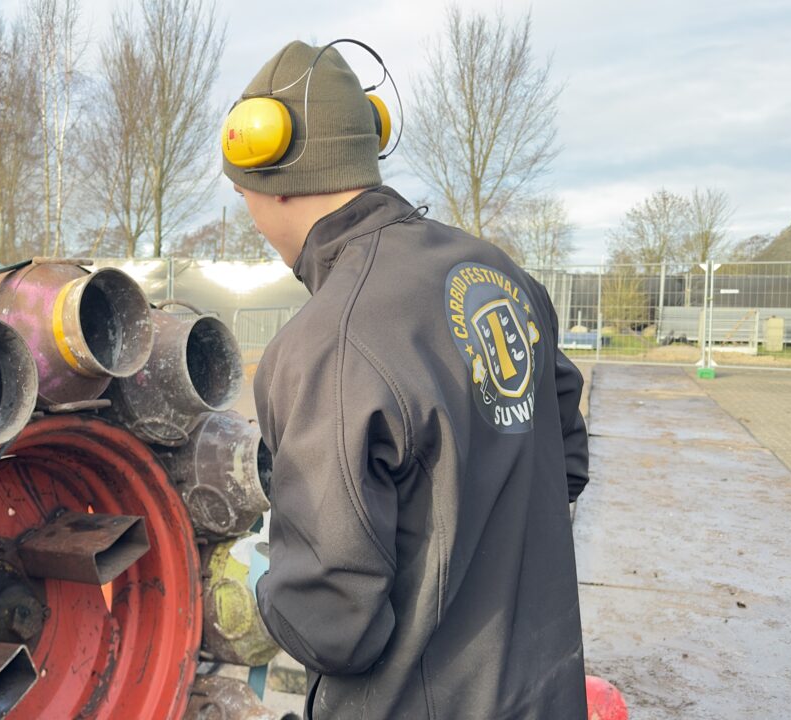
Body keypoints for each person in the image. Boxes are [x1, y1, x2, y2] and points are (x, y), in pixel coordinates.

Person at [222, 41, 590, 719]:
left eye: (243, 197)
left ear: (269, 179)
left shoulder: (327, 342)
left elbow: (336, 624)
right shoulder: (502, 275)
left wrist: (265, 586)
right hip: (545, 691)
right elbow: (562, 466)